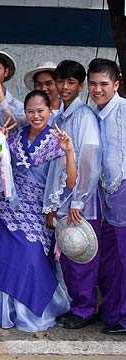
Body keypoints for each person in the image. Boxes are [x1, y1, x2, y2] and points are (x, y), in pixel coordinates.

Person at [0, 90, 75, 332]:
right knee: (2, 256)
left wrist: (68, 151)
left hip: (39, 211)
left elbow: (70, 183)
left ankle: (32, 311)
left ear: (50, 111)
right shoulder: (14, 138)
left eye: (41, 111)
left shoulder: (57, 140)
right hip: (7, 209)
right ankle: (2, 313)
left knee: (31, 257)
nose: (36, 116)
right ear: (24, 113)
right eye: (30, 111)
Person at [44, 60, 102, 330]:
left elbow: (89, 160)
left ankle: (85, 309)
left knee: (82, 255)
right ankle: (75, 305)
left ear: (81, 87)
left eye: (71, 83)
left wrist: (80, 198)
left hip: (81, 201)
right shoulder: (58, 117)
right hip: (63, 198)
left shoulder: (85, 117)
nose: (64, 87)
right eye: (61, 81)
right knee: (67, 252)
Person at [87, 58, 126, 335]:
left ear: (116, 84)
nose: (98, 89)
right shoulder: (94, 114)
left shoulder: (123, 110)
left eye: (104, 84)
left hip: (124, 189)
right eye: (93, 84)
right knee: (111, 259)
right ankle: (113, 311)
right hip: (106, 196)